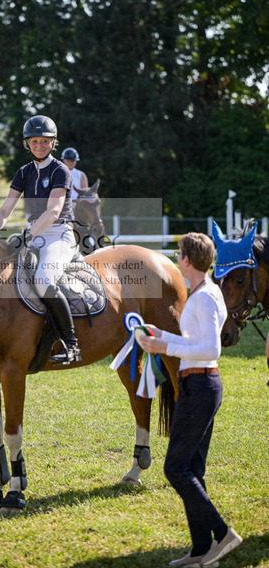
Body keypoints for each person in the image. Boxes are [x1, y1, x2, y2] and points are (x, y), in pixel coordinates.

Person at [139, 232, 242, 568]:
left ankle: (222, 534)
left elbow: (211, 349)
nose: (176, 258)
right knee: (193, 468)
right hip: (198, 383)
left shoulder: (204, 297)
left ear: (186, 259)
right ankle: (201, 549)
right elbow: (195, 340)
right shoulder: (202, 292)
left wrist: (165, 346)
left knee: (176, 468)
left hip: (200, 385)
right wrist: (162, 335)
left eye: (178, 253)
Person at [0, 115, 81, 366]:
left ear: (53, 142)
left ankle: (72, 344)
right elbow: (5, 210)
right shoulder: (24, 172)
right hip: (34, 234)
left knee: (42, 278)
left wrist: (28, 235)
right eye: (34, 141)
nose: (39, 145)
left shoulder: (60, 170)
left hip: (58, 234)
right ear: (27, 143)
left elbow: (53, 212)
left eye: (44, 141)